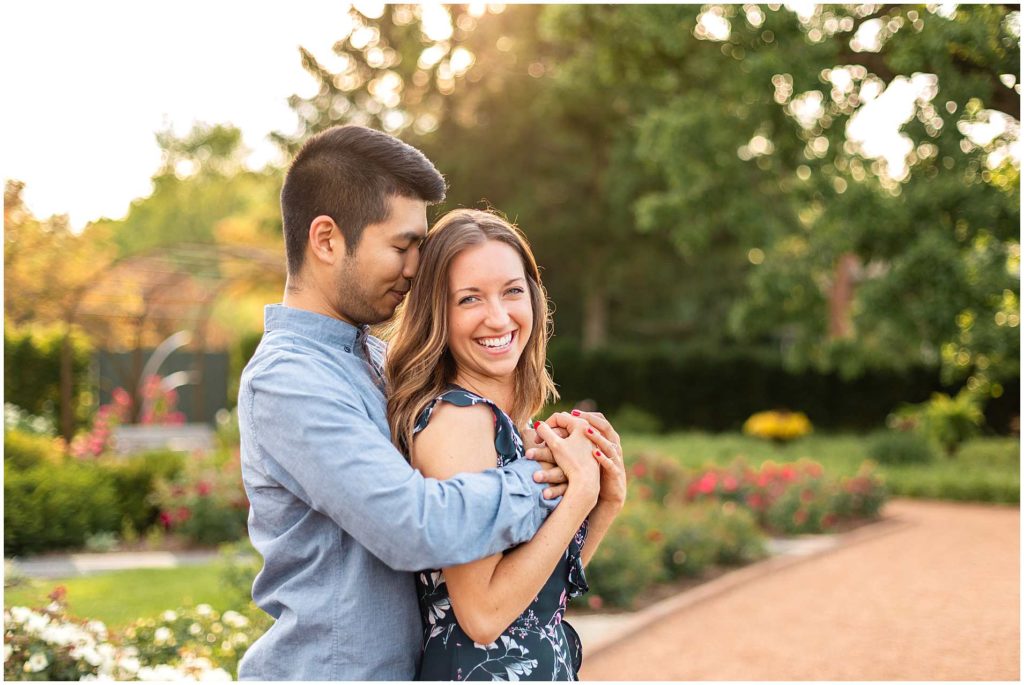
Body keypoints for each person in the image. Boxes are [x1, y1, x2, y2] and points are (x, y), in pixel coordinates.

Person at [236, 125, 613, 680]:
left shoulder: (374, 360)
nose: (416, 269)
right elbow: (413, 526)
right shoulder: (290, 379)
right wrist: (547, 480)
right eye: (402, 246)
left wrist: (585, 488)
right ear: (326, 239)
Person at [386, 209, 627, 681]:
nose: (498, 317)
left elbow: (536, 599)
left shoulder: (504, 424)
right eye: (470, 298)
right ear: (438, 312)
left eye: (512, 291)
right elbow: (483, 616)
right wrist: (578, 495)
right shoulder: (458, 420)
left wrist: (604, 503)